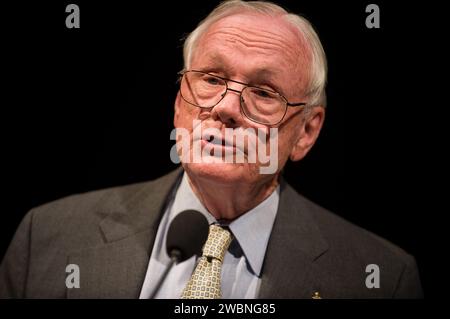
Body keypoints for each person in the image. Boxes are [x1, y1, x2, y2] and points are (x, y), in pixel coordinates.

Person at [0, 0, 422, 298]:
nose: (225, 109)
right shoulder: (48, 236)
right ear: (179, 101)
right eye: (212, 79)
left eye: (262, 91)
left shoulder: (381, 277)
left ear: (307, 132)